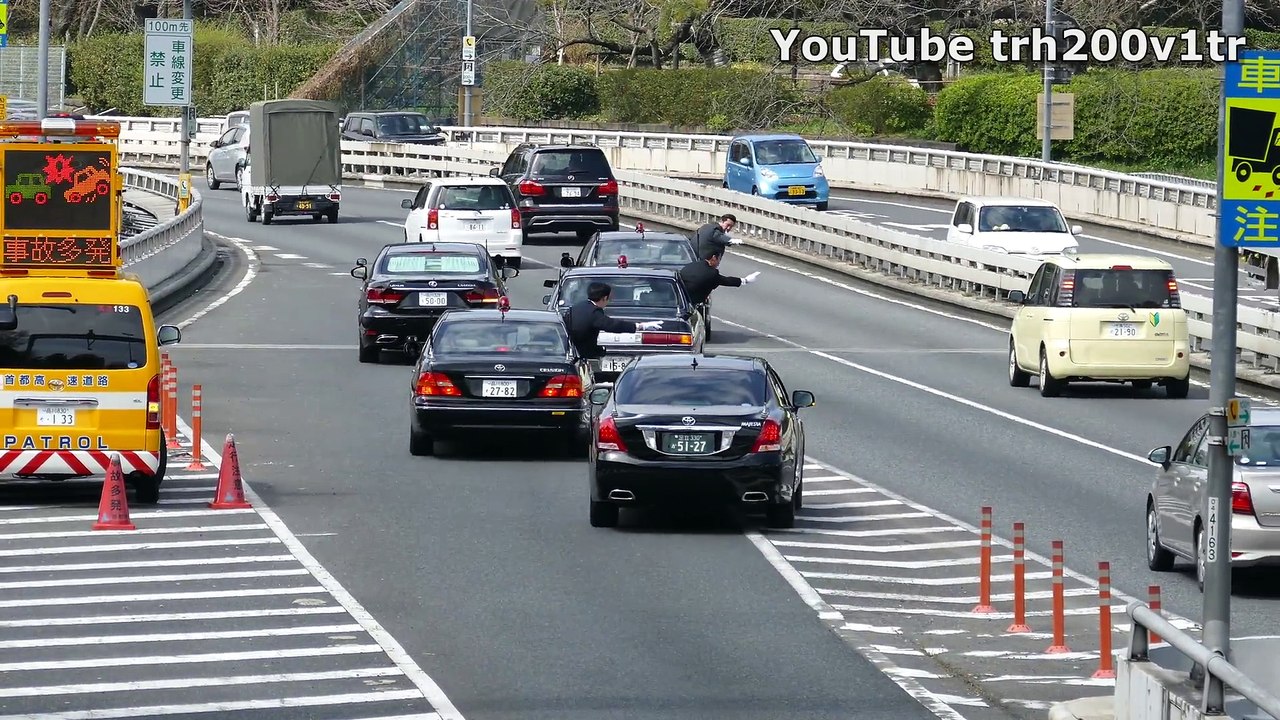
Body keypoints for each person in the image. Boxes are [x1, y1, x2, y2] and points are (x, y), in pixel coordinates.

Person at [565, 282, 663, 359]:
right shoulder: (594, 313)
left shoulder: (577, 307)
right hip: (582, 353)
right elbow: (612, 325)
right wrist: (641, 326)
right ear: (604, 298)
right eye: (609, 298)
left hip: (569, 349)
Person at [678, 247, 760, 306]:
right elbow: (726, 281)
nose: (719, 263)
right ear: (714, 258)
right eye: (719, 259)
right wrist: (745, 280)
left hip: (679, 298)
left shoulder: (691, 265)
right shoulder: (711, 273)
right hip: (692, 302)